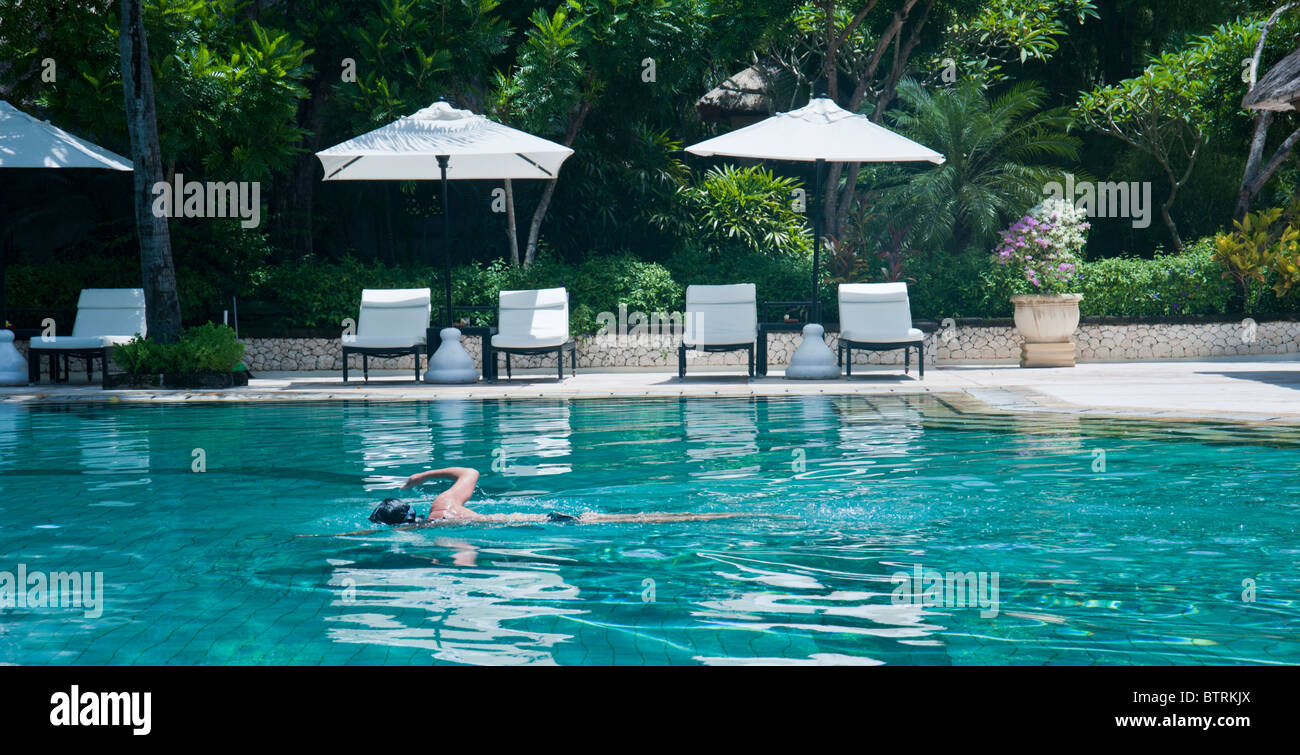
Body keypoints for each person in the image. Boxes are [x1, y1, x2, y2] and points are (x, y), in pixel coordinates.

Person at [305, 465, 768, 537]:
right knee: (653, 517)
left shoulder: (438, 528)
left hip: (554, 524)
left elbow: (465, 561)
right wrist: (420, 476)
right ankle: (738, 511)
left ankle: (744, 513)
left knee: (653, 518)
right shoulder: (444, 504)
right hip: (551, 517)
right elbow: (471, 472)